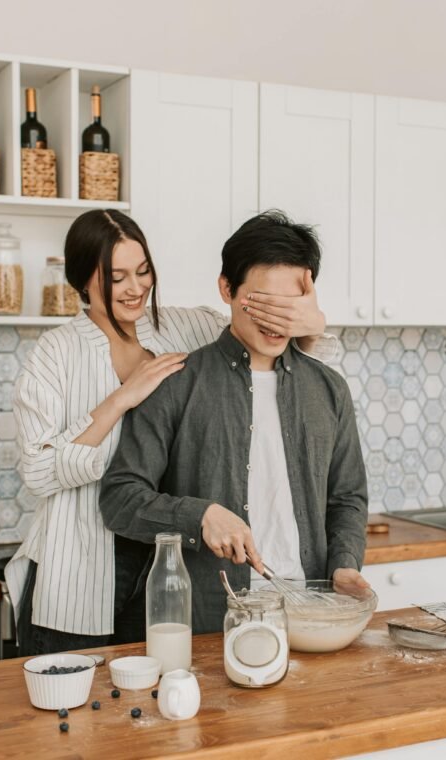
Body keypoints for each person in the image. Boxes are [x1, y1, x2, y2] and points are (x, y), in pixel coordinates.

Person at [6, 209, 338, 654]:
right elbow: (39, 472)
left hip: (159, 574)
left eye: (143, 272)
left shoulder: (186, 326)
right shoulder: (56, 353)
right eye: (116, 276)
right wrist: (121, 399)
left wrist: (315, 327)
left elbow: (264, 338)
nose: (135, 287)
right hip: (78, 571)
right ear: (82, 281)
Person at [100, 211, 370, 634]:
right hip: (211, 621)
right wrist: (199, 515)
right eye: (263, 302)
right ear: (227, 289)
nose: (276, 319)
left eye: (291, 304)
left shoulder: (329, 389)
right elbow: (119, 499)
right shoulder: (177, 383)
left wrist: (344, 565)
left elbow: (347, 499)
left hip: (311, 617)